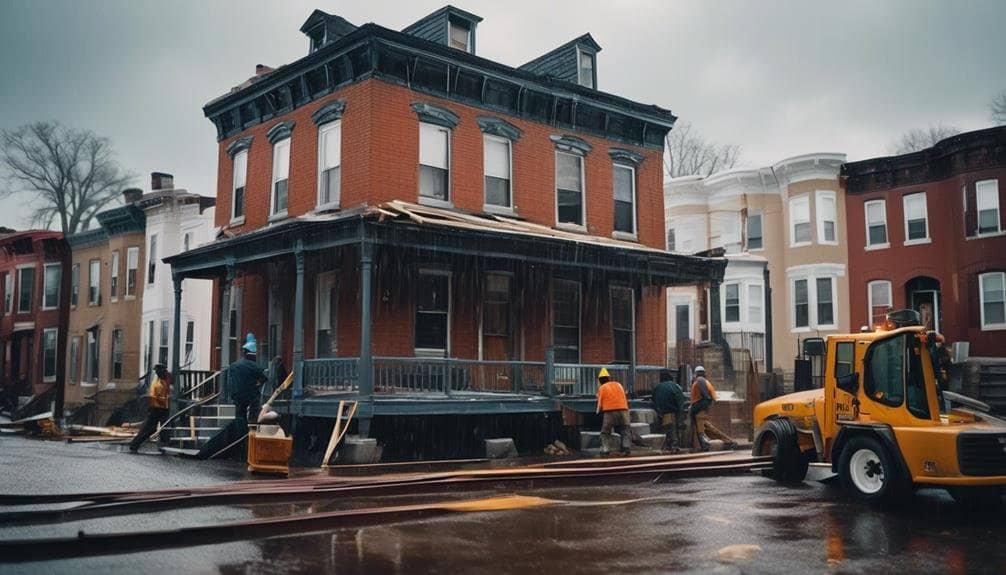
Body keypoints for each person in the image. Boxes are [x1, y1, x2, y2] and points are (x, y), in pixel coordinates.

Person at [228, 333, 268, 438]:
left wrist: (232, 393)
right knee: (253, 411)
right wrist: (256, 384)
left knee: (240, 415)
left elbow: (230, 382)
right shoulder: (255, 367)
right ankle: (251, 429)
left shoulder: (234, 366)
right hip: (250, 395)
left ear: (244, 353)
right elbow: (264, 379)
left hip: (237, 395)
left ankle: (240, 434)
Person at [689, 366, 737, 451]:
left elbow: (706, 397)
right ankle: (728, 442)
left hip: (699, 411)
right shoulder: (704, 381)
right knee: (709, 430)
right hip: (700, 410)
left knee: (702, 431)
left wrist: (695, 409)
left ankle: (708, 446)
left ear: (697, 373)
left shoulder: (700, 380)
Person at [128, 364, 172, 453]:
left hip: (163, 408)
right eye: (158, 371)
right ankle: (134, 444)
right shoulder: (157, 383)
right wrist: (167, 398)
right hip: (156, 407)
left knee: (164, 427)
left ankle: (163, 445)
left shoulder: (164, 379)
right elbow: (156, 397)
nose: (159, 373)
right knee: (149, 428)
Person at [596, 367, 632, 456]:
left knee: (605, 432)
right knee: (625, 429)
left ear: (600, 380)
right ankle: (626, 448)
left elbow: (600, 404)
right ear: (608, 378)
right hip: (624, 410)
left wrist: (597, 412)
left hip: (609, 411)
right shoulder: (618, 384)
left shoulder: (602, 388)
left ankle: (605, 449)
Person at [652, 369, 686, 453]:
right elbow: (681, 400)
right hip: (673, 412)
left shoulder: (657, 387)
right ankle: (674, 447)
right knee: (672, 429)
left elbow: (653, 399)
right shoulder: (675, 386)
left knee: (667, 429)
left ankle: (668, 446)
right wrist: (681, 414)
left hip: (662, 413)